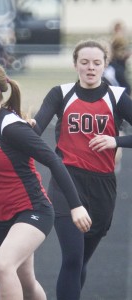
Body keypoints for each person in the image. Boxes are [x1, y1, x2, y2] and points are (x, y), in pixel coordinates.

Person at [0, 61, 91, 300]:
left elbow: (54, 161)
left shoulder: (11, 128)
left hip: (32, 210)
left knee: (3, 266)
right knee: (26, 283)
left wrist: (76, 206)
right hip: (1, 216)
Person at [31, 39, 132, 299]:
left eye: (96, 63)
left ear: (105, 65)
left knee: (81, 261)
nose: (90, 67)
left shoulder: (117, 97)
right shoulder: (61, 93)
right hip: (66, 182)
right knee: (73, 259)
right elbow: (35, 130)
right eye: (84, 62)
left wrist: (116, 140)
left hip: (102, 187)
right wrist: (22, 124)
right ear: (75, 64)